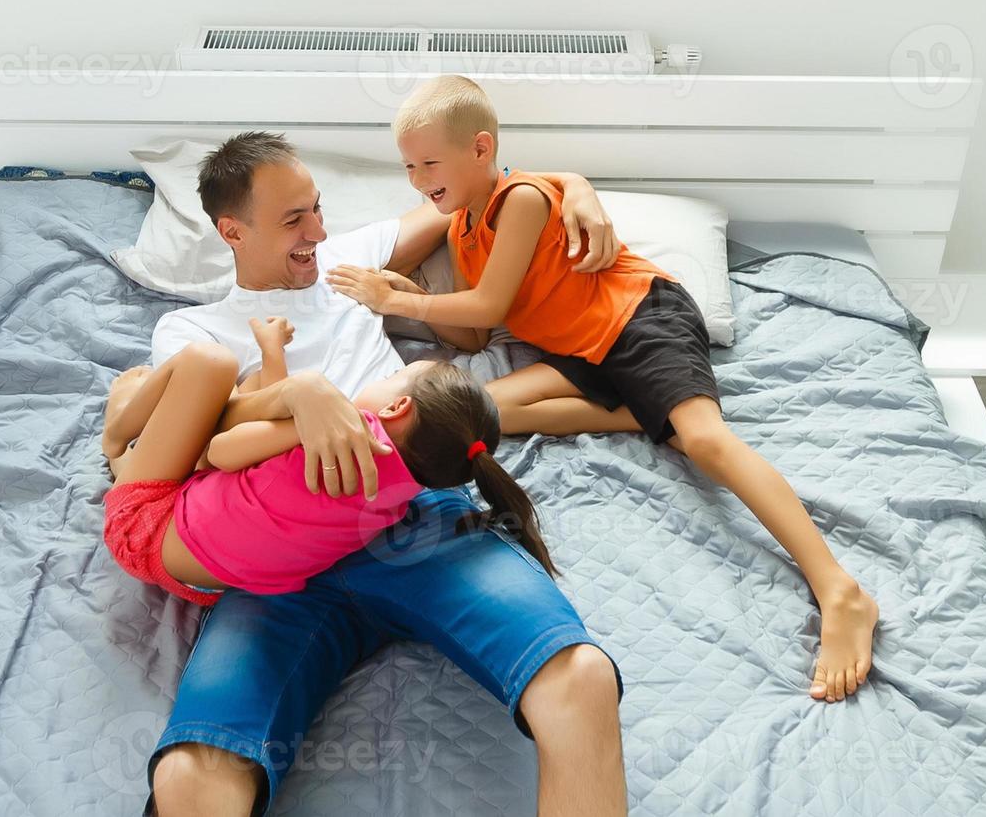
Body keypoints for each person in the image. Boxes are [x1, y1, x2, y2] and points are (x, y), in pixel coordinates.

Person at [326, 74, 880, 705]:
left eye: (429, 163)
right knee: (489, 413)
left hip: (639, 318)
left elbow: (492, 299)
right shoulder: (462, 230)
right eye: (407, 167)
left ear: (481, 149)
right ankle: (647, 415)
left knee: (703, 440)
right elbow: (478, 335)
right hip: (580, 349)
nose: (418, 180)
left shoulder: (522, 199)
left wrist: (393, 296)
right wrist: (423, 301)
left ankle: (839, 588)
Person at [130, 131, 628, 817]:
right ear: (231, 230)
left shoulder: (344, 261)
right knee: (191, 774)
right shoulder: (191, 333)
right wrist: (296, 394)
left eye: (318, 208)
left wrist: (573, 183)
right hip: (278, 554)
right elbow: (192, 445)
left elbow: (481, 187)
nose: (318, 230)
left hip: (410, 514)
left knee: (582, 678)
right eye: (294, 219)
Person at [101, 337, 557, 604]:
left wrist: (298, 417)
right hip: (203, 582)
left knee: (209, 362)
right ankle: (126, 461)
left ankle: (116, 434)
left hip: (142, 529)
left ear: (397, 406)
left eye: (396, 374)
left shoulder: (350, 433)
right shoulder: (402, 496)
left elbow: (220, 451)